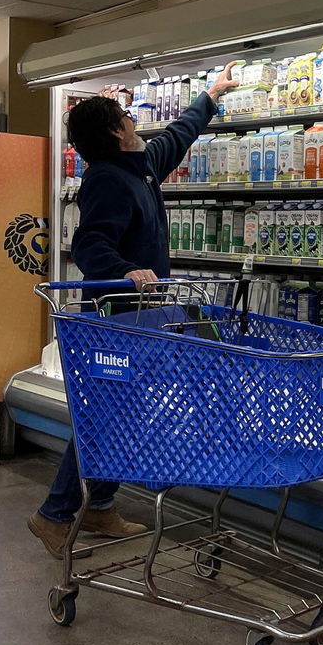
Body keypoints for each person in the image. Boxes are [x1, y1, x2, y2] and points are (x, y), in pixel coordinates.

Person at [28, 64, 238, 558]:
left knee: (122, 413)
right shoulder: (106, 180)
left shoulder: (139, 167)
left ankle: (99, 505)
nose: (133, 122)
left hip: (145, 318)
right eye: (126, 117)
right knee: (106, 415)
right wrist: (126, 270)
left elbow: (176, 137)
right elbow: (89, 244)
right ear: (115, 132)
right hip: (119, 315)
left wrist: (209, 95)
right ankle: (54, 514)